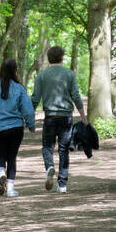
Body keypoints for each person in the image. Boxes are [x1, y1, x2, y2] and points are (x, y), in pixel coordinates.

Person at [31, 46, 87, 194]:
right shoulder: (69, 74)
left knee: (47, 147)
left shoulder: (42, 75)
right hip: (66, 118)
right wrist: (83, 116)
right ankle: (62, 184)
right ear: (62, 58)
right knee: (64, 150)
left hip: (50, 117)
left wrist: (28, 116)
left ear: (49, 58)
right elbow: (76, 95)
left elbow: (35, 98)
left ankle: (49, 166)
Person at [0, 59, 35, 197]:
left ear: (1, 70)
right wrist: (30, 124)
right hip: (16, 128)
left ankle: (1, 174)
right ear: (15, 71)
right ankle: (11, 190)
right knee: (11, 157)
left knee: (0, 155)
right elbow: (28, 110)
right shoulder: (19, 88)